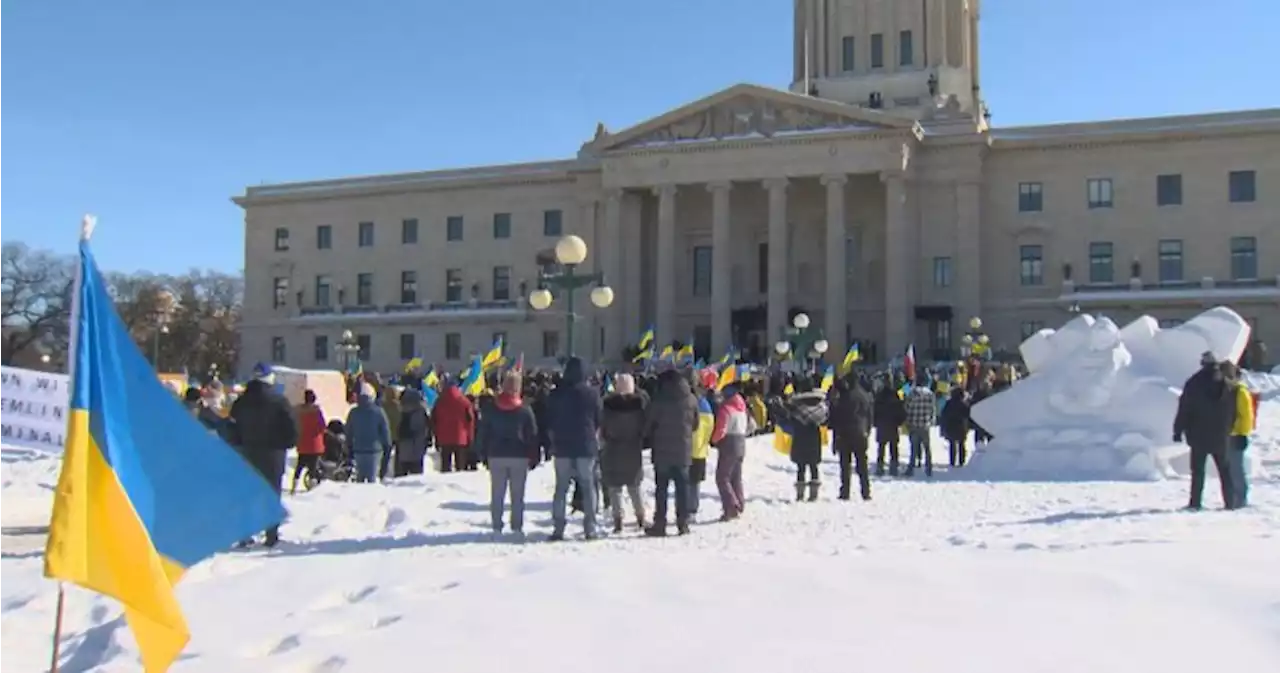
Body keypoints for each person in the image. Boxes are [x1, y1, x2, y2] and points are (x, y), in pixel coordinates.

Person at [227, 363, 298, 548]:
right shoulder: (279, 401)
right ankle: (271, 535)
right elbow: (291, 428)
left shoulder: (241, 402)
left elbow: (231, 426)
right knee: (272, 493)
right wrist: (286, 443)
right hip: (273, 453)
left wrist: (239, 442)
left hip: (247, 452)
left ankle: (245, 534)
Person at [546, 357, 604, 541]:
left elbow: (549, 418)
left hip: (562, 445)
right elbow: (598, 419)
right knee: (588, 487)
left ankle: (558, 527)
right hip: (585, 445)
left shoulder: (556, 394)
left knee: (561, 488)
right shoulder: (592, 394)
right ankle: (590, 527)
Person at [476, 372, 540, 536]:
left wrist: (482, 453)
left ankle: (497, 524)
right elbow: (532, 435)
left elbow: (483, 432)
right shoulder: (525, 410)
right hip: (519, 456)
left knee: (497, 493)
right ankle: (516, 526)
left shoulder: (491, 408)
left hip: (496, 454)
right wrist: (534, 456)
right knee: (517, 494)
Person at [1173, 351, 1237, 510]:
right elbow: (1233, 410)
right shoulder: (1227, 384)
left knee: (1198, 472)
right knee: (1225, 471)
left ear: (1203, 364)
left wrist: (1178, 430)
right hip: (1221, 435)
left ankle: (1195, 503)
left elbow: (1184, 409)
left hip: (1198, 436)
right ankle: (1230, 503)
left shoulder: (1193, 383)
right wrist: (1229, 428)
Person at [645, 368, 699, 536]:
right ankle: (682, 523)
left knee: (661, 489)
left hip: (661, 451)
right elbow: (696, 424)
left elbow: (648, 425)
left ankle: (660, 523)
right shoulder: (691, 399)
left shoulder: (659, 399)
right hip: (683, 451)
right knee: (682, 489)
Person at [600, 373, 649, 533]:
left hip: (612, 450)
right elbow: (644, 429)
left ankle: (618, 519)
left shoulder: (607, 406)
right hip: (632, 450)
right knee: (634, 486)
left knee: (615, 488)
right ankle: (640, 516)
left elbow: (603, 429)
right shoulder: (639, 407)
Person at [778, 378, 829, 502]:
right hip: (814, 437)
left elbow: (790, 419)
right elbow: (825, 419)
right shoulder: (820, 406)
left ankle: (800, 494)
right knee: (813, 465)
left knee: (801, 467)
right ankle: (813, 494)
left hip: (800, 437)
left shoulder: (797, 406)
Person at [828, 376, 874, 501]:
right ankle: (866, 491)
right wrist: (867, 430)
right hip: (861, 433)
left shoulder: (844, 398)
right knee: (862, 465)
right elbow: (870, 415)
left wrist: (835, 438)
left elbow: (836, 419)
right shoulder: (865, 396)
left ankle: (845, 491)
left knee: (845, 465)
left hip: (845, 434)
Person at [711, 383, 750, 520]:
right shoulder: (742, 409)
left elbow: (721, 430)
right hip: (741, 444)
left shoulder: (726, 409)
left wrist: (714, 440)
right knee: (736, 478)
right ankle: (739, 502)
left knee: (722, 477)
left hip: (729, 444)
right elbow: (751, 426)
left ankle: (731, 507)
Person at [345, 382, 393, 483]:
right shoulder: (379, 412)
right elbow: (385, 432)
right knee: (372, 480)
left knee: (360, 479)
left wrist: (349, 448)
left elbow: (348, 432)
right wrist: (387, 446)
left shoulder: (353, 412)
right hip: (374, 450)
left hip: (358, 449)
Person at [1222, 361, 1254, 508]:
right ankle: (1234, 499)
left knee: (1236, 469)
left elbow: (1247, 415)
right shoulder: (1229, 390)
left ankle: (1241, 499)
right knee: (1230, 469)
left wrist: (1242, 433)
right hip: (1228, 434)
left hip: (1236, 435)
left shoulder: (1240, 391)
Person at [432, 379, 476, 473]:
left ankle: (444, 485)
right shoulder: (464, 401)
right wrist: (470, 438)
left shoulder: (439, 401)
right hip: (461, 438)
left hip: (444, 438)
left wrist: (436, 437)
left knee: (445, 467)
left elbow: (434, 420)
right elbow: (470, 420)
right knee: (460, 468)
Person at [292, 389, 327, 494]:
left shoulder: (298, 412)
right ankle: (311, 489)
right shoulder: (317, 412)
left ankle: (294, 486)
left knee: (299, 466)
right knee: (312, 468)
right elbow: (322, 427)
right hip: (314, 445)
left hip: (302, 444)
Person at [903, 377, 937, 478]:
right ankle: (929, 468)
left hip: (913, 424)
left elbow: (906, 407)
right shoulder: (930, 394)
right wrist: (931, 421)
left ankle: (911, 469)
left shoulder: (911, 393)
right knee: (927, 448)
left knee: (913, 448)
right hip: (925, 424)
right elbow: (933, 409)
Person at [872, 380, 906, 476]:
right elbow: (901, 412)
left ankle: (880, 467)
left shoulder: (879, 397)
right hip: (893, 425)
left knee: (881, 448)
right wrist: (899, 422)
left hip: (882, 425)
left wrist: (876, 423)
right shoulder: (895, 396)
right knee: (894, 448)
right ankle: (894, 468)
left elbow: (874, 411)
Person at [395, 388, 432, 476]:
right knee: (416, 477)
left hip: (403, 448)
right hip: (418, 448)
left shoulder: (400, 411)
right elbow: (427, 428)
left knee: (401, 478)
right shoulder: (421, 412)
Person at [939, 387, 972, 468]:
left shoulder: (949, 403)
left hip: (951, 426)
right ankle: (961, 461)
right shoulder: (964, 404)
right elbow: (968, 414)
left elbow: (944, 415)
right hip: (961, 426)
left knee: (952, 444)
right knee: (962, 444)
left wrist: (943, 428)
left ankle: (952, 461)